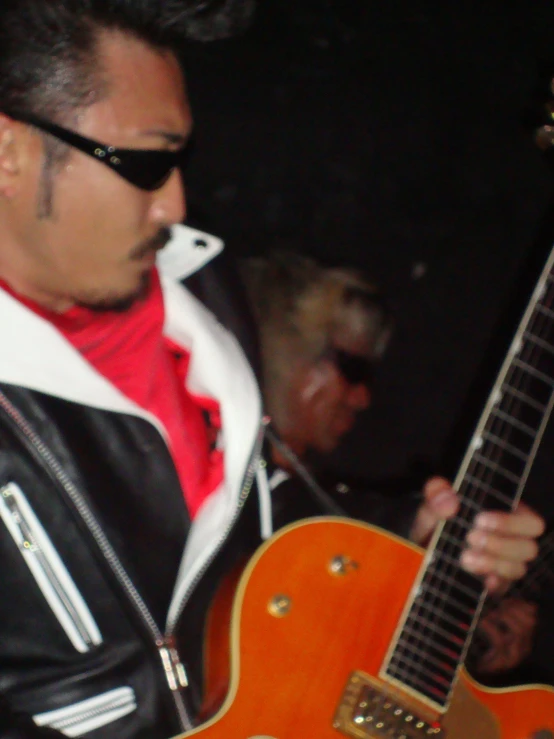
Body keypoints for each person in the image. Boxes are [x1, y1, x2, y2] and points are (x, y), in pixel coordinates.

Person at [0, 3, 544, 739]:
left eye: (182, 161)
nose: (176, 204)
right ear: (9, 152)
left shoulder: (202, 299)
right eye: (149, 162)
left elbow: (254, 526)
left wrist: (404, 535)